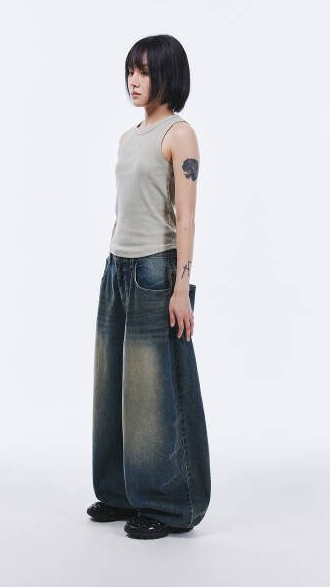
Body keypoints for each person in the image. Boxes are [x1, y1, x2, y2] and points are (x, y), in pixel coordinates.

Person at [87, 34, 211, 540]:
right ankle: (120, 492)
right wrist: (113, 254)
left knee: (152, 390)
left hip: (156, 273)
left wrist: (182, 287)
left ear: (167, 76)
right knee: (113, 385)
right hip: (117, 269)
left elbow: (186, 218)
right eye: (130, 70)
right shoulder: (127, 137)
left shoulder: (179, 134)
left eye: (144, 71)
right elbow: (124, 206)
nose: (134, 80)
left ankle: (169, 503)